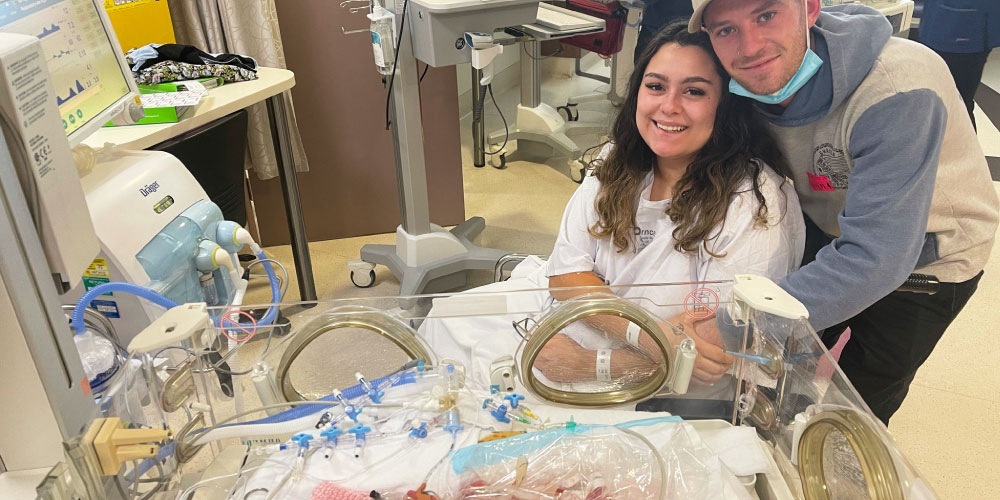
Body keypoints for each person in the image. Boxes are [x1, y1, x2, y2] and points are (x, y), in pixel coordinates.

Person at [419, 21, 804, 393]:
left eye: (694, 92)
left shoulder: (753, 205)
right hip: (604, 323)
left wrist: (592, 364)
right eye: (656, 86)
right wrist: (648, 336)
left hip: (663, 375)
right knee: (445, 322)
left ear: (726, 106)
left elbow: (710, 357)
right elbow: (567, 277)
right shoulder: (617, 161)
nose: (668, 107)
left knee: (513, 390)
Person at [689, 0, 999, 423]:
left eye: (766, 15)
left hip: (932, 255)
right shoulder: (740, 81)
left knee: (855, 408)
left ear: (810, 8)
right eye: (726, 29)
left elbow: (878, 256)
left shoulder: (898, 88)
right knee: (779, 378)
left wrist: (731, 324)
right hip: (831, 225)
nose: (750, 47)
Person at [918, 0, 1000, 129]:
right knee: (952, 103)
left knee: (958, 103)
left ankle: (963, 147)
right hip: (956, 24)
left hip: (960, 27)